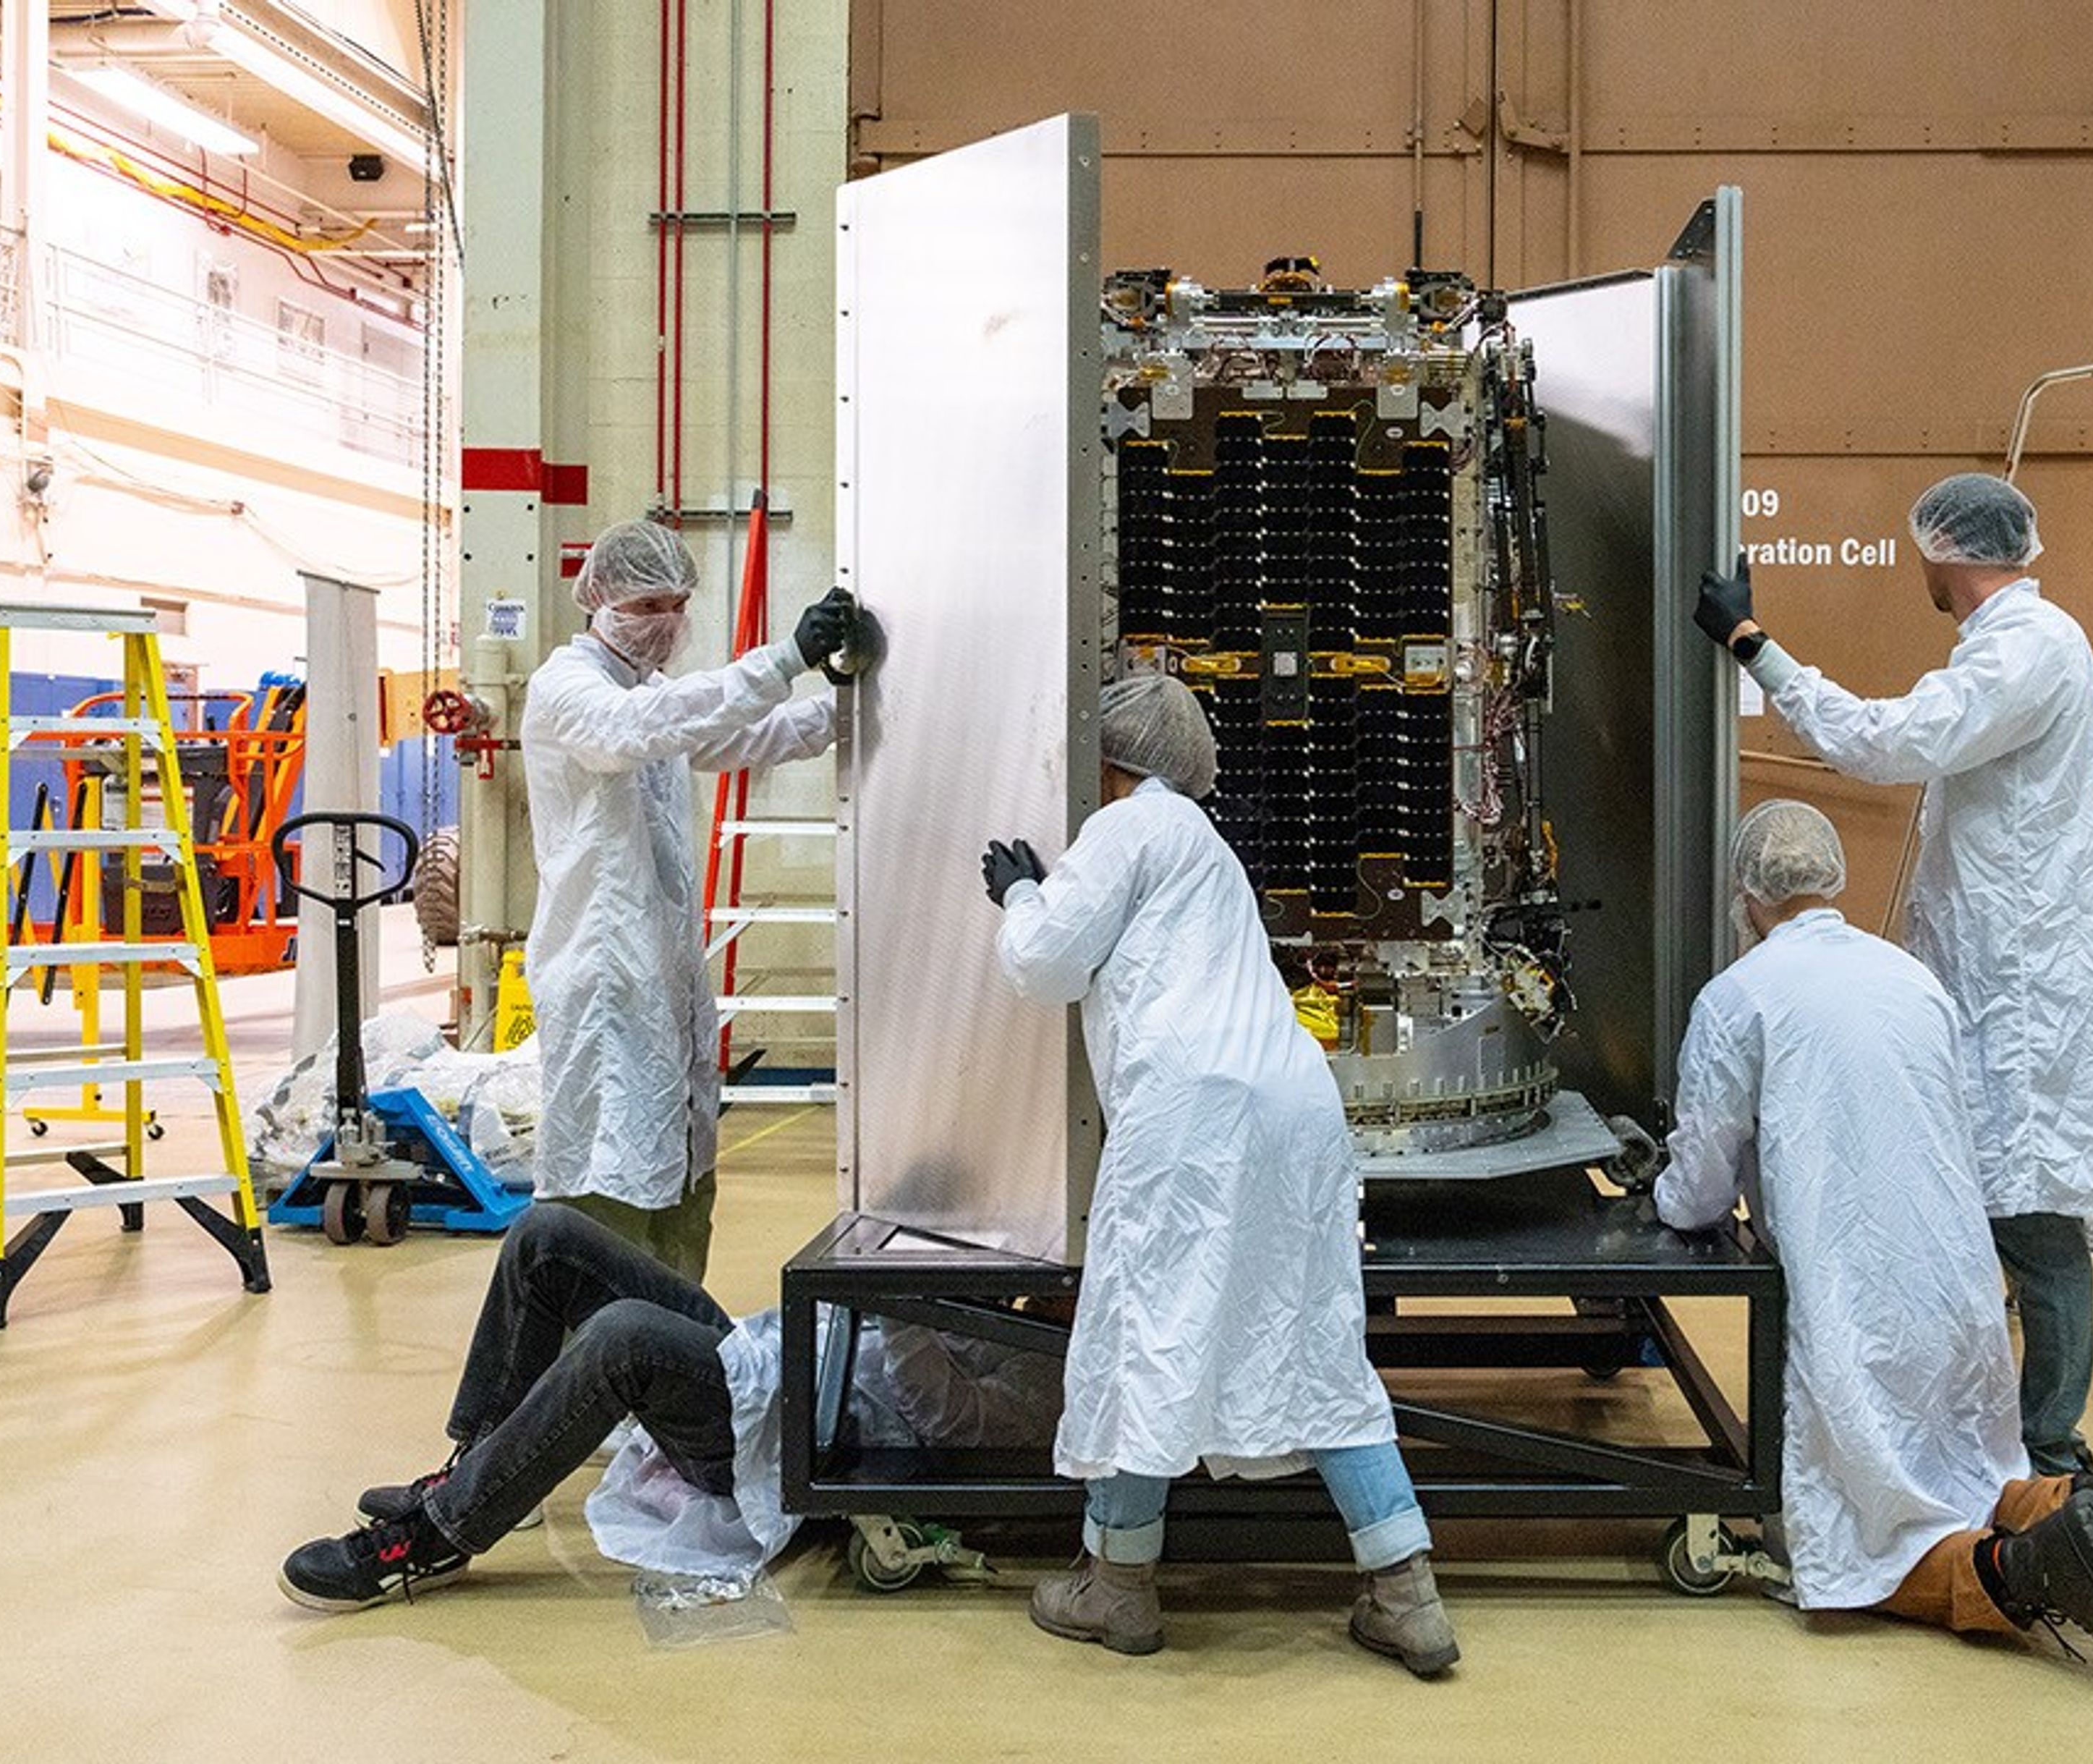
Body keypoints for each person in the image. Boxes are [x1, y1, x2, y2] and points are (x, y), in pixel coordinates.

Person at [1661, 800, 2093, 1705]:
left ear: (1747, 893)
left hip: (1856, 1306)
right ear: (1831, 877)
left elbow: (1697, 1186)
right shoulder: (1910, 978)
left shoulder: (1740, 997)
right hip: (1958, 1291)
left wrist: (1656, 1192)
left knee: (1859, 1541)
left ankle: (2015, 1574)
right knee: (1968, 1464)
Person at [978, 673, 1459, 1678]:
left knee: (1145, 1330)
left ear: (1115, 760)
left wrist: (1021, 890)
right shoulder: (1209, 846)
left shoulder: (1129, 827)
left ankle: (1117, 1585)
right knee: (1315, 1336)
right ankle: (1406, 1590)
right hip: (1292, 1106)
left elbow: (1044, 964)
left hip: (1192, 1117)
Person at [1692, 473, 2093, 1476]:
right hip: (2000, 976)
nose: (1914, 569)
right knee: (1990, 1204)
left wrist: (1752, 647)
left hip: (2026, 991)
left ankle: (2050, 1444)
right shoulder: (2007, 649)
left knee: (2032, 1216)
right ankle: (1995, 1426)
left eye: (1917, 553)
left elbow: (1885, 743)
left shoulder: (2025, 651)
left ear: (1942, 553)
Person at [277, 1204, 1064, 1611]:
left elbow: (949, 1423)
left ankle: (433, 1538)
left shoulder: (1057, 1370)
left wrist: (902, 1294)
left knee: (625, 1338)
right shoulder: (1036, 1279)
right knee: (546, 1238)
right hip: (776, 1368)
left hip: (789, 1442)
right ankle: (475, 1471)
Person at [517, 518, 855, 1279]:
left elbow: (746, 736)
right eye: (647, 607)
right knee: (610, 1195)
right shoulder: (569, 691)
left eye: (677, 604)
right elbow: (638, 729)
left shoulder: (655, 695)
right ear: (596, 597)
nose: (666, 624)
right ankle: (601, 1382)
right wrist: (785, 657)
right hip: (603, 987)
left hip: (663, 983)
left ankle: (668, 1377)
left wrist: (847, 705)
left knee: (678, 1185)